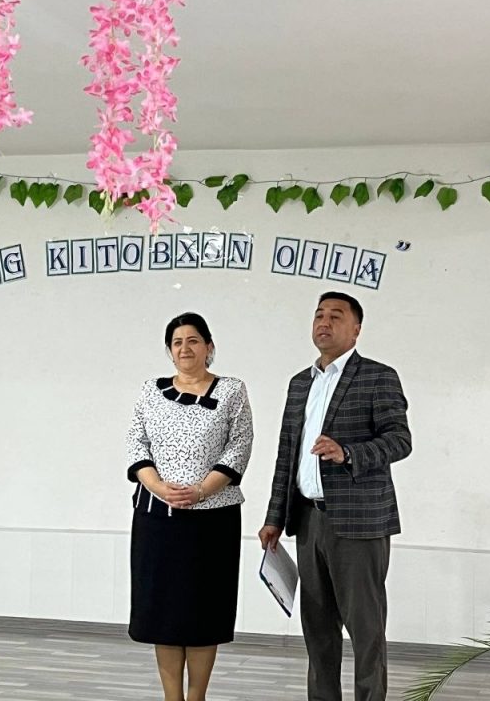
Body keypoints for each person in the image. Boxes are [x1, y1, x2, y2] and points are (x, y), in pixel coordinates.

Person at [258, 292, 412, 701]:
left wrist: (349, 453)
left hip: (359, 523)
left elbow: (400, 440)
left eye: (336, 316)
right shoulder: (299, 384)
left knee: (366, 630)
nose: (324, 323)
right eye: (319, 315)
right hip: (308, 521)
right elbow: (286, 455)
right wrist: (274, 517)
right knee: (318, 631)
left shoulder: (378, 376)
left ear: (356, 330)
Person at [126, 312, 253, 701]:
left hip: (213, 522)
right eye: (177, 342)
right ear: (170, 350)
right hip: (157, 519)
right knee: (162, 612)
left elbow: (240, 444)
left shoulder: (231, 390)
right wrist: (158, 487)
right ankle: (172, 697)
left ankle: (197, 696)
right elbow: (136, 441)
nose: (185, 348)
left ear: (209, 347)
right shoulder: (151, 390)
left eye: (193, 340)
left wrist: (200, 491)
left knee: (203, 612)